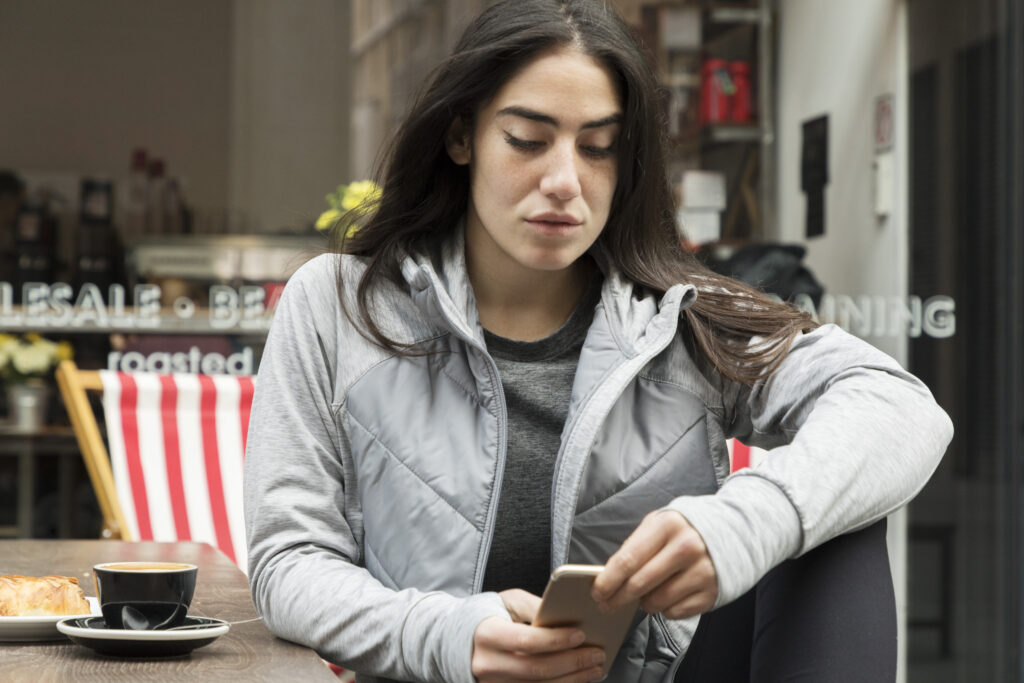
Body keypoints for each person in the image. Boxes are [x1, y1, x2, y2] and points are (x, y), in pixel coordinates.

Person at [243, 1, 953, 681]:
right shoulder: (339, 305)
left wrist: (746, 523)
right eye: (527, 139)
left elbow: (900, 406)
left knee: (833, 517)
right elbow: (289, 563)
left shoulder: (684, 317)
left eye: (599, 148)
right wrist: (452, 636)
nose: (564, 181)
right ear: (461, 136)